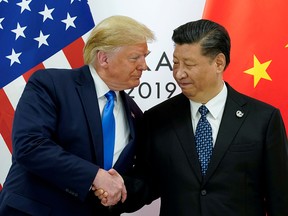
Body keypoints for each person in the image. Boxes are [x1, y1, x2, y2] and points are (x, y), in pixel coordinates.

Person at [99, 19, 288, 215]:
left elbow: (280, 198)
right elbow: (146, 183)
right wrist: (114, 189)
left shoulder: (263, 119)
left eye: (189, 64)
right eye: (175, 63)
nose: (179, 73)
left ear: (219, 63)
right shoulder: (157, 119)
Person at [0, 15, 155, 216]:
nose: (144, 66)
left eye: (145, 57)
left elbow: (139, 178)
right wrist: (95, 177)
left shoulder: (135, 115)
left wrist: (117, 189)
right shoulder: (51, 84)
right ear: (104, 58)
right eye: (135, 57)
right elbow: (29, 145)